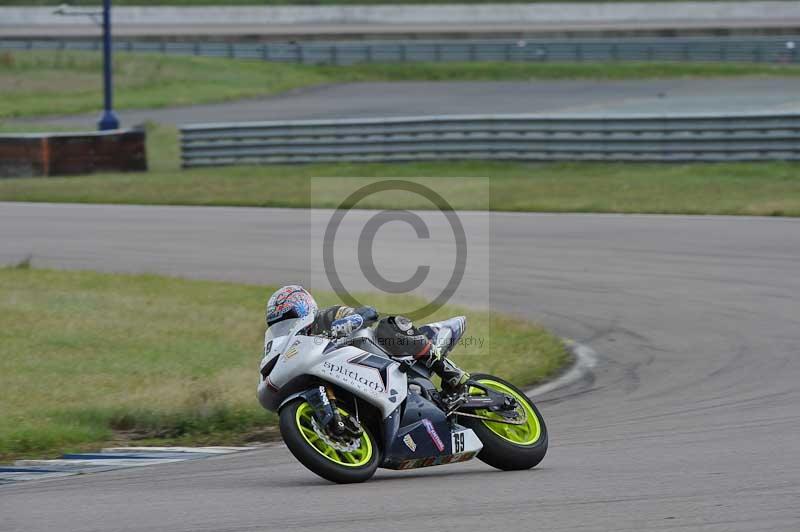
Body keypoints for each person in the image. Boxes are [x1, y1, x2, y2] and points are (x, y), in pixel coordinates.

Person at [265, 285, 470, 398]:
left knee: (388, 325)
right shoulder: (294, 347)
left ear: (303, 307)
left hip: (383, 354)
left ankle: (449, 372)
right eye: (280, 325)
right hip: (353, 377)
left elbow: (369, 313)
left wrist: (349, 321)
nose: (287, 327)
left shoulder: (325, 316)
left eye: (290, 318)